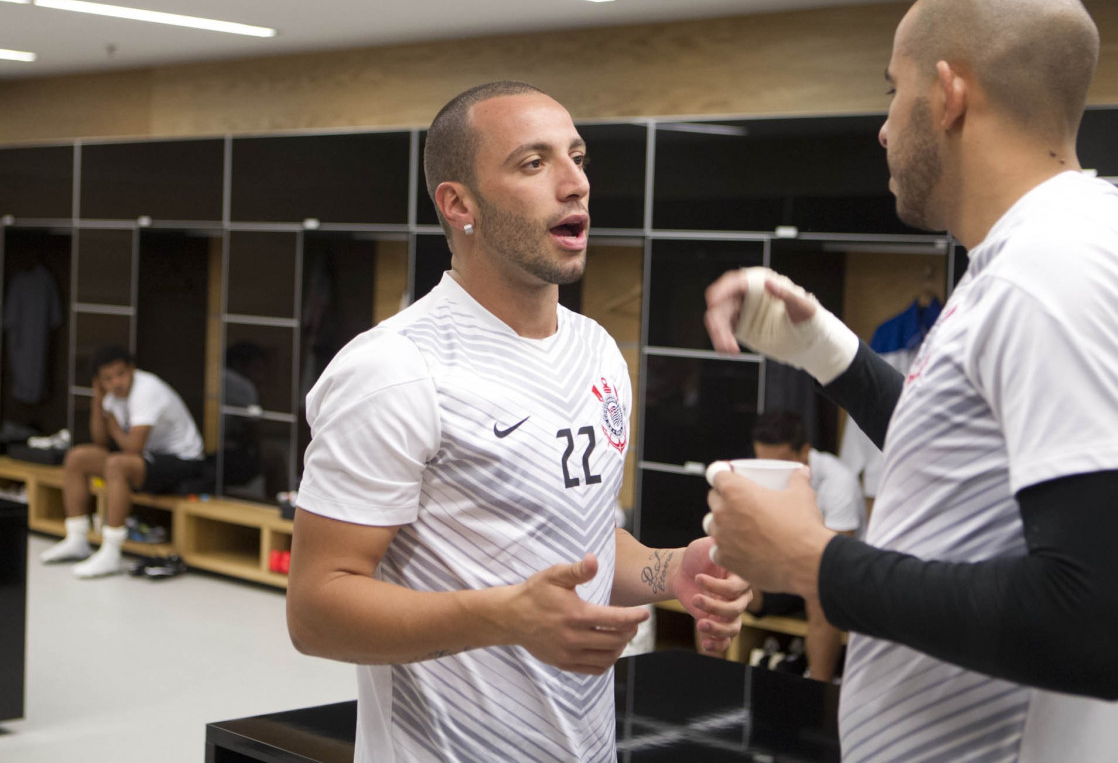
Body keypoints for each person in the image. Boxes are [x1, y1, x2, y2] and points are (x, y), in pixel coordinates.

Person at [702, 0, 1118, 761]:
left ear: (948, 92)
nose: (885, 128)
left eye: (892, 92)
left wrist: (811, 558)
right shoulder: (1027, 259)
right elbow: (967, 455)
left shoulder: (1057, 270)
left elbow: (1096, 623)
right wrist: (822, 347)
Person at [286, 81, 752, 763]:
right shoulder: (395, 369)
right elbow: (316, 609)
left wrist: (671, 569)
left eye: (578, 156)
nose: (575, 184)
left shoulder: (597, 350)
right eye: (534, 163)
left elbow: (579, 539)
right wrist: (503, 617)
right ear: (459, 203)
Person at [699, 410, 865, 683]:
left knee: (820, 597)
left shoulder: (839, 483)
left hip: (836, 577)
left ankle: (816, 693)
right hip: (784, 569)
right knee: (713, 577)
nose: (769, 472)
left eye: (779, 464)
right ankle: (710, 682)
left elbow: (836, 562)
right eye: (763, 462)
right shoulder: (757, 474)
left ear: (804, 453)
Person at [40, 345, 205, 577]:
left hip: (183, 460)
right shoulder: (110, 396)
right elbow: (99, 440)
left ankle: (111, 552)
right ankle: (77, 539)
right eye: (107, 379)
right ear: (99, 382)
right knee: (77, 457)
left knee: (117, 464)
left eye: (121, 374)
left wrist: (115, 428)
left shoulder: (147, 389)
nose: (116, 382)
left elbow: (133, 448)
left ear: (132, 371)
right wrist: (97, 402)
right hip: (146, 458)